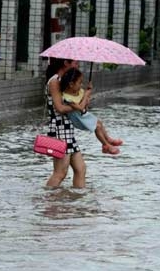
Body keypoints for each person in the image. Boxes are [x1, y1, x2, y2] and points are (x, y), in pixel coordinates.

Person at [60, 67, 123, 155]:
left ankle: (108, 139)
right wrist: (86, 95)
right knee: (97, 127)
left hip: (84, 115)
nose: (81, 85)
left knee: (99, 123)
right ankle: (105, 145)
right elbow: (80, 107)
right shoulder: (67, 98)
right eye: (79, 83)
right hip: (78, 119)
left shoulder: (79, 91)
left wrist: (87, 96)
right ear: (71, 84)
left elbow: (84, 106)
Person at [45, 58, 87, 189]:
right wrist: (79, 106)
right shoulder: (54, 81)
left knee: (81, 169)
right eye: (75, 62)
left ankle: (78, 200)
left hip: (68, 128)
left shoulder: (65, 82)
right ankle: (47, 200)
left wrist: (83, 99)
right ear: (65, 63)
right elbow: (60, 108)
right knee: (60, 173)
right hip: (59, 129)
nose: (77, 65)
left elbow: (74, 105)